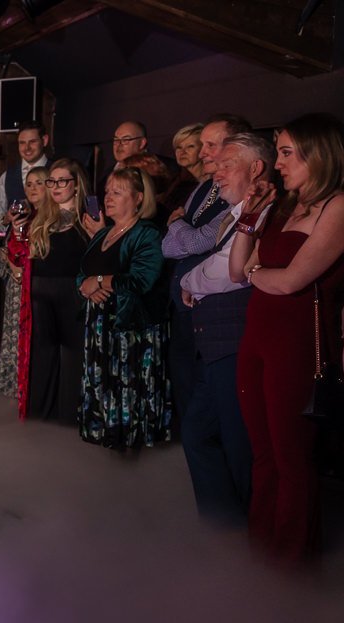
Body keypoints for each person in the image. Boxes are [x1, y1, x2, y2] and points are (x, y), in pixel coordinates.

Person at [231, 113, 344, 564]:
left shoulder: (342, 206)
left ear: (318, 154)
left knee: (291, 458)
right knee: (262, 454)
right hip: (258, 338)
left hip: (297, 342)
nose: (278, 163)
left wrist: (257, 273)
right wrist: (249, 220)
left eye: (286, 152)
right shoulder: (288, 206)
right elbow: (236, 270)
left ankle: (290, 568)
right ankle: (260, 553)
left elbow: (290, 282)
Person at [175, 132, 275, 527]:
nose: (214, 172)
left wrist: (188, 280)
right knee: (198, 434)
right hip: (213, 345)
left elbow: (229, 273)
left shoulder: (265, 210)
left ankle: (247, 536)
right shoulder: (234, 212)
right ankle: (224, 527)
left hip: (235, 342)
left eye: (226, 163)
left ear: (257, 168)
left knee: (239, 445)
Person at [162, 114, 250, 422]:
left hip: (213, 308)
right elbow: (168, 247)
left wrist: (177, 225)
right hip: (184, 305)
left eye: (209, 145)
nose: (202, 153)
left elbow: (200, 242)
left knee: (213, 400)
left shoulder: (238, 192)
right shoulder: (202, 188)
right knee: (186, 385)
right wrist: (180, 230)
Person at [76, 167, 171, 449]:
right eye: (107, 192)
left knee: (127, 387)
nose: (108, 197)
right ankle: (104, 431)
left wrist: (101, 281)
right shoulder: (102, 234)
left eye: (117, 192)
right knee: (103, 386)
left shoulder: (147, 233)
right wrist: (85, 286)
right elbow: (83, 273)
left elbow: (143, 279)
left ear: (139, 198)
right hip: (100, 327)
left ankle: (130, 438)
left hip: (130, 330)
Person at [26, 159, 91, 422]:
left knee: (74, 352)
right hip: (40, 288)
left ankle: (69, 415)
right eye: (51, 181)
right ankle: (42, 414)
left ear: (76, 185)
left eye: (62, 181)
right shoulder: (43, 214)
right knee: (43, 352)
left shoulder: (89, 213)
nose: (55, 186)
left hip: (71, 289)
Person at [0, 166, 48, 399]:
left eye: (39, 183)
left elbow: (39, 257)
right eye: (29, 184)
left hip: (35, 288)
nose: (33, 188)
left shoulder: (49, 218)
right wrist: (11, 245)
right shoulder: (27, 215)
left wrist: (16, 266)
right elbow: (16, 251)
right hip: (17, 289)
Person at [0, 121, 51, 238]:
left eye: (32, 142)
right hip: (16, 250)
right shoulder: (7, 176)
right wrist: (5, 219)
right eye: (22, 143)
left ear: (44, 140)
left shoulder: (56, 172)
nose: (27, 148)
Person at [168, 124, 205, 213]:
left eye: (190, 146)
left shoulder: (213, 184)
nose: (183, 152)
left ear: (203, 149)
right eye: (179, 147)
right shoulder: (171, 183)